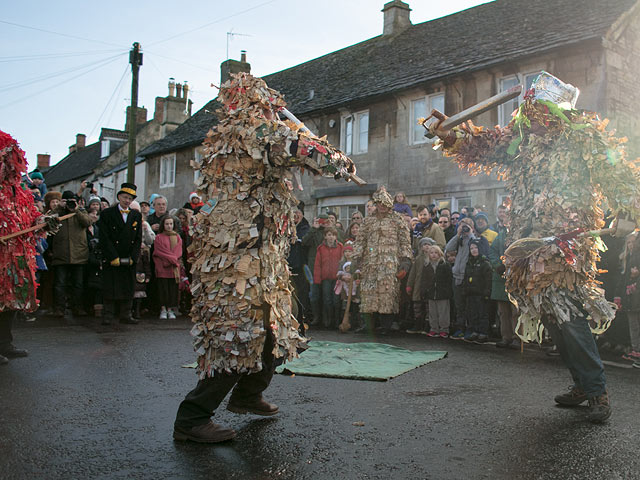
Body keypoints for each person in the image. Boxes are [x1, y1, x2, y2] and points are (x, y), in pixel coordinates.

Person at [428, 72, 640, 422]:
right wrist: (450, 134)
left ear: (555, 112)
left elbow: (616, 170)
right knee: (553, 316)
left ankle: (597, 390)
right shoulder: (521, 141)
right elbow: (486, 146)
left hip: (565, 243)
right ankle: (583, 384)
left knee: (568, 314)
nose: (532, 121)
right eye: (529, 113)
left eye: (540, 113)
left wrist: (629, 210)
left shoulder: (582, 136)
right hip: (528, 244)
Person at [173, 73, 356, 443]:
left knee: (279, 329)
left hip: (260, 259)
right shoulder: (252, 132)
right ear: (261, 104)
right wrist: (339, 160)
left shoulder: (227, 138)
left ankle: (248, 394)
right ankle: (192, 419)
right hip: (236, 263)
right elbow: (306, 151)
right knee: (236, 337)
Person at [352, 186, 412, 335]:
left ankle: (387, 326)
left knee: (387, 294)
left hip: (390, 264)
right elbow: (360, 241)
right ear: (377, 203)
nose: (382, 207)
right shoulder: (368, 221)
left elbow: (405, 242)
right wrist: (357, 259)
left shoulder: (397, 220)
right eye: (380, 204)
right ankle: (368, 326)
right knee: (368, 293)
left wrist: (405, 262)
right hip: (370, 264)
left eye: (385, 204)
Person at [98, 183, 143, 326]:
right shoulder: (107, 214)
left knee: (128, 287)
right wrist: (112, 256)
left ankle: (126, 314)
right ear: (119, 197)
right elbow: (104, 237)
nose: (127, 201)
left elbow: (138, 239)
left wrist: (133, 257)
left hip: (128, 256)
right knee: (110, 287)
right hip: (113, 256)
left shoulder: (136, 215)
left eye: (130, 198)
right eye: (125, 197)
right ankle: (108, 315)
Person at [49, 191, 92, 317]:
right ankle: (59, 308)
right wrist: (59, 207)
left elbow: (87, 222)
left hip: (79, 254)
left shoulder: (81, 211)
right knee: (59, 284)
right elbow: (48, 222)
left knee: (78, 284)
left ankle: (77, 307)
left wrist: (76, 210)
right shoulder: (58, 212)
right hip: (61, 253)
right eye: (67, 201)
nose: (69, 204)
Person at [489, 227, 519, 349]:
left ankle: (517, 338)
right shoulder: (501, 235)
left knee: (516, 311)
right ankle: (506, 337)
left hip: (516, 277)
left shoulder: (521, 234)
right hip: (501, 278)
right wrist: (498, 265)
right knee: (503, 311)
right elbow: (492, 252)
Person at [152, 215, 183, 320]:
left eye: (171, 224)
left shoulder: (177, 237)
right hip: (162, 267)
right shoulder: (159, 237)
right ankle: (163, 309)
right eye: (167, 224)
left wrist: (172, 260)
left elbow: (178, 252)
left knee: (172, 289)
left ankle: (170, 309)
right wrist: (171, 260)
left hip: (173, 268)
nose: (169, 226)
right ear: (163, 225)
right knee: (163, 289)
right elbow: (159, 252)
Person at [462, 239, 492, 343]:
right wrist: (465, 289)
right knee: (472, 313)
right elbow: (466, 277)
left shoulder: (485, 263)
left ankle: (483, 333)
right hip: (471, 293)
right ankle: (474, 331)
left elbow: (488, 280)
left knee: (482, 313)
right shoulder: (469, 263)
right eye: (472, 248)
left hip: (481, 293)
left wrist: (487, 292)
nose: (474, 250)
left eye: (476, 248)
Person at [313, 227, 343, 329]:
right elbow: (317, 265)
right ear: (325, 236)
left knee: (336, 300)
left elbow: (342, 262)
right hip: (325, 278)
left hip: (337, 278)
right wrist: (317, 279)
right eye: (329, 235)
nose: (331, 237)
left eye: (333, 235)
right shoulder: (321, 248)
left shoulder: (340, 247)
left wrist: (342, 275)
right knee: (327, 299)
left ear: (336, 237)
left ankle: (337, 321)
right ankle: (328, 321)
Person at [421, 245, 453, 338]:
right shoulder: (426, 265)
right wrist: (424, 290)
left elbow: (449, 279)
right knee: (432, 312)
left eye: (436, 253)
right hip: (431, 292)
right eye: (431, 253)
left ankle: (444, 329)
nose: (434, 255)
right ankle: (434, 329)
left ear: (439, 254)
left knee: (443, 312)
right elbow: (424, 279)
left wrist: (448, 291)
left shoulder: (445, 264)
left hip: (442, 292)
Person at [406, 237, 436, 334]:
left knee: (428, 307)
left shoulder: (434, 257)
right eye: (424, 244)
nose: (427, 246)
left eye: (429, 244)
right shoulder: (418, 258)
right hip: (418, 286)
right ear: (421, 247)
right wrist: (409, 285)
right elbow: (412, 273)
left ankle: (427, 325)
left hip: (429, 286)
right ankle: (417, 324)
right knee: (417, 306)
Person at [287, 206, 311, 324]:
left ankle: (302, 318)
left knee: (301, 293)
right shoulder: (286, 228)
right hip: (288, 265)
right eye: (294, 213)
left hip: (301, 266)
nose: (296, 215)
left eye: (298, 213)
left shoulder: (306, 228)